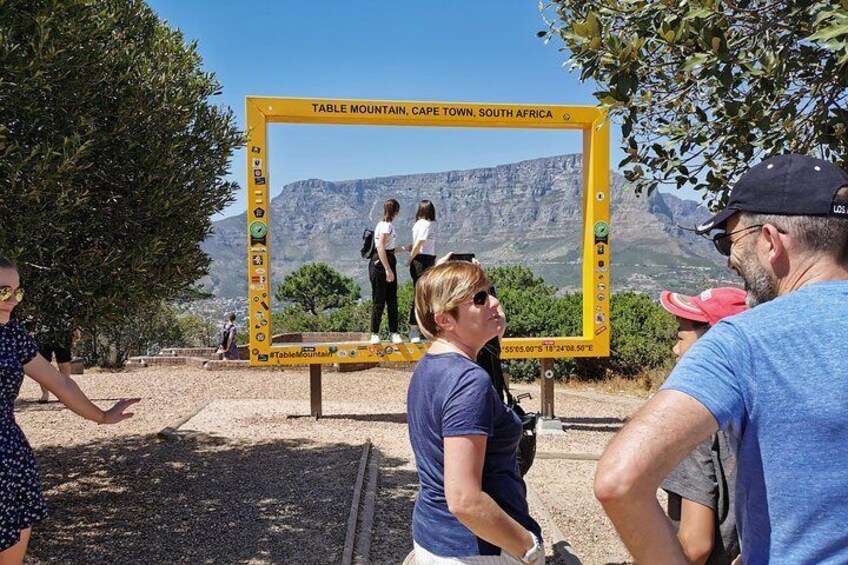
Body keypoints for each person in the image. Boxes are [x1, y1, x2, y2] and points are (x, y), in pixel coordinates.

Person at [594, 154, 848, 563]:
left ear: (771, 240)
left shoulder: (743, 342)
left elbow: (619, 480)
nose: (730, 259)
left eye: (729, 240)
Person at [0, 255, 139, 563]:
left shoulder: (13, 336)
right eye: (3, 291)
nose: (12, 300)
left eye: (17, 292)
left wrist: (103, 416)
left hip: (8, 457)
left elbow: (60, 384)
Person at [406, 261, 544, 564]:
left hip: (434, 535)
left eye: (490, 292)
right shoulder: (469, 382)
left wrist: (441, 282)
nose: (494, 302)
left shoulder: (430, 367)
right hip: (476, 549)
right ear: (445, 320)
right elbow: (464, 499)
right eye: (479, 299)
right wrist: (528, 547)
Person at [659, 287, 747, 565]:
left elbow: (694, 546)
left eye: (680, 338)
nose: (675, 349)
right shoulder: (759, 407)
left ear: (712, 345)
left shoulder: (694, 423)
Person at [369, 198, 406, 345]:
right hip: (381, 264)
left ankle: (394, 332)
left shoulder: (387, 225)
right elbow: (380, 248)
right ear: (395, 211)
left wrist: (404, 249)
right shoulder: (385, 226)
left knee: (392, 299)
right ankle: (375, 333)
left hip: (388, 260)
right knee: (379, 299)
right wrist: (387, 269)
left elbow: (389, 249)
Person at [406, 200, 437, 343]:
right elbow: (419, 243)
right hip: (423, 260)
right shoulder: (426, 224)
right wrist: (410, 259)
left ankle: (419, 328)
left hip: (424, 258)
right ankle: (414, 328)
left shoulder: (417, 224)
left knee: (424, 295)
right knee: (423, 295)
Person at [34, 326, 79, 404]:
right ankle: (45, 394)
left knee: (64, 362)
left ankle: (63, 393)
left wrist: (75, 329)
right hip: (43, 331)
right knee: (43, 363)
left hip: (63, 330)